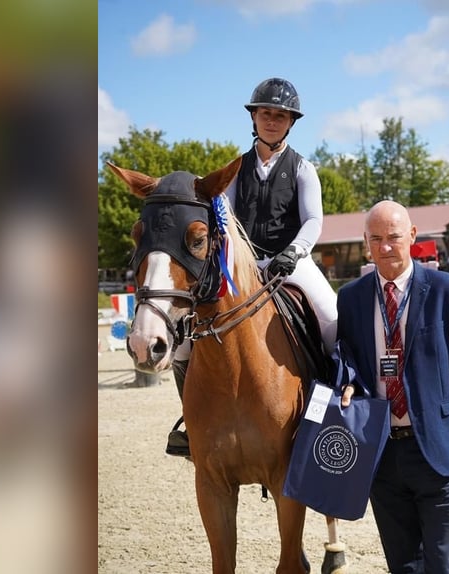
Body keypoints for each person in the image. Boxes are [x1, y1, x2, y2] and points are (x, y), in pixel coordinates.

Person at [166, 77, 338, 457]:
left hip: (290, 262)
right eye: (266, 114)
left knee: (333, 320)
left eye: (280, 115)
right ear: (254, 117)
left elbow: (313, 220)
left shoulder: (302, 169)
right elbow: (221, 215)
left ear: (291, 122)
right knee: (185, 341)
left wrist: (293, 252)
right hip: (242, 267)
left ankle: (333, 416)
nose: (272, 121)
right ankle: (190, 423)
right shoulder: (235, 169)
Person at [337, 200, 449, 573]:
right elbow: (345, 356)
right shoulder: (350, 298)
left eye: (395, 237)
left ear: (413, 236)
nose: (386, 247)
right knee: (404, 568)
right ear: (367, 242)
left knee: (446, 567)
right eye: (377, 239)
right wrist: (346, 376)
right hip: (383, 458)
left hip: (441, 454)